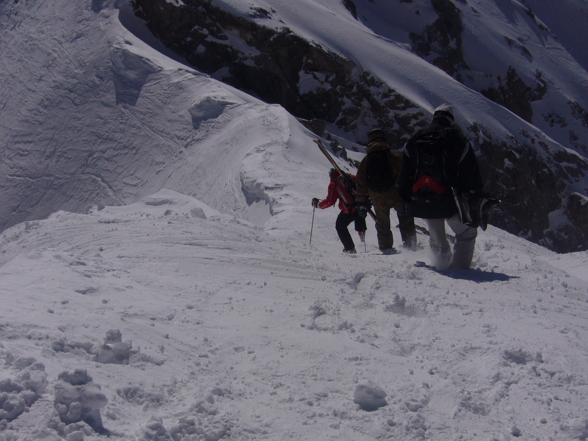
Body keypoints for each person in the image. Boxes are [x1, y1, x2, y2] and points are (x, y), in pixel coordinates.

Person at [396, 104, 484, 270]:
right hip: (450, 200)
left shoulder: (415, 138)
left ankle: (441, 266)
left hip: (422, 198)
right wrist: (473, 199)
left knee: (437, 237)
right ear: (451, 121)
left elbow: (404, 173)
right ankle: (460, 271)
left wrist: (407, 197)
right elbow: (470, 174)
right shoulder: (458, 140)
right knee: (467, 233)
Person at [355, 128, 417, 253]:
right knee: (406, 220)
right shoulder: (394, 155)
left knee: (382, 225)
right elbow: (406, 173)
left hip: (378, 198)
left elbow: (360, 183)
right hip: (396, 195)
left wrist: (361, 202)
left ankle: (386, 249)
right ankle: (411, 247)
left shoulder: (366, 160)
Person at [312, 168, 366, 254]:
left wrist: (318, 205)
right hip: (360, 207)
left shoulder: (334, 183)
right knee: (358, 218)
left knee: (340, 226)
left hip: (349, 209)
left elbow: (330, 201)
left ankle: (350, 248)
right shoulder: (349, 177)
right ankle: (362, 235)